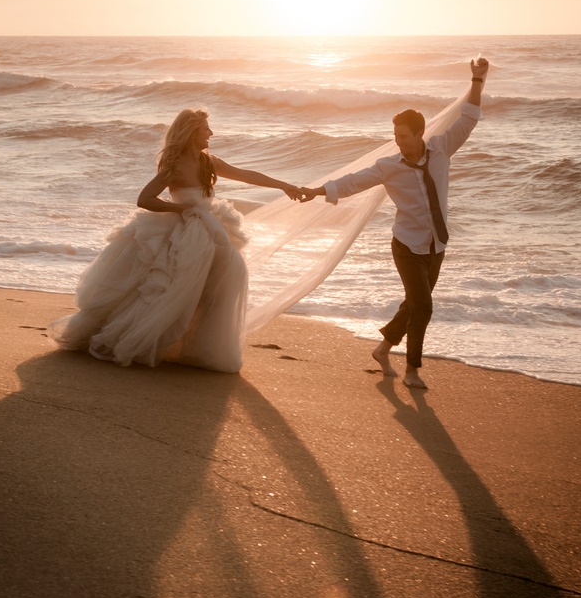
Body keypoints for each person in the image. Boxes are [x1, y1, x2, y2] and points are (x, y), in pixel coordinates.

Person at [48, 108, 302, 373]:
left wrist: (284, 186)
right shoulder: (176, 166)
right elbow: (144, 199)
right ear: (192, 132)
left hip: (210, 227)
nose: (211, 133)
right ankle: (141, 339)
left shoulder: (209, 162)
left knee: (229, 275)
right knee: (169, 288)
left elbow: (247, 175)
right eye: (206, 129)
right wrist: (179, 210)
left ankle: (198, 347)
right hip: (183, 231)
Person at [300, 58, 489, 388]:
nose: (398, 141)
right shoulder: (389, 166)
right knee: (424, 306)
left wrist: (477, 80)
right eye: (395, 135)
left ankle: (383, 348)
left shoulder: (442, 149)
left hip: (436, 245)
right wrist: (318, 191)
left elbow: (468, 119)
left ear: (420, 133)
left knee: (413, 304)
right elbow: (353, 182)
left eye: (403, 136)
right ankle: (412, 371)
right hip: (406, 246)